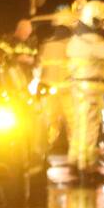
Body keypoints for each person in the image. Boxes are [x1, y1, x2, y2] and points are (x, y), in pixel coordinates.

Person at [66, 0, 104, 181]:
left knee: (80, 126)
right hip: (91, 88)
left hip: (79, 87)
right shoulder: (93, 41)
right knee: (90, 128)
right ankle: (86, 167)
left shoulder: (76, 39)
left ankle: (75, 162)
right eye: (102, 21)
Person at [38, 9, 75, 156]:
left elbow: (40, 69)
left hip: (49, 90)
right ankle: (75, 152)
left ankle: (46, 149)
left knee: (50, 121)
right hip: (68, 90)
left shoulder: (47, 45)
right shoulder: (72, 45)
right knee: (73, 122)